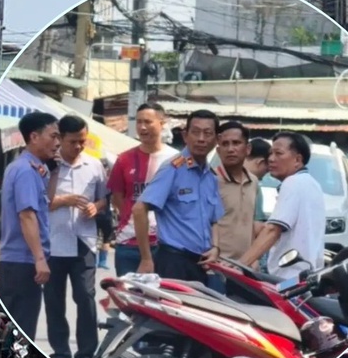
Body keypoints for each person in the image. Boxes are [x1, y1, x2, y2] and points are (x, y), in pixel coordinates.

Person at [44, 115, 108, 358]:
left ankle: (87, 354)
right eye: (74, 142)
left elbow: (105, 199)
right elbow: (40, 202)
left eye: (83, 141)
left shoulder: (94, 166)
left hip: (84, 242)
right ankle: (60, 352)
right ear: (61, 139)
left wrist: (96, 207)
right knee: (54, 301)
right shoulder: (48, 167)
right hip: (52, 243)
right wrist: (66, 200)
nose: (79, 146)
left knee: (86, 296)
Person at [134, 109, 224, 283]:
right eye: (196, 132)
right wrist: (146, 258)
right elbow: (139, 209)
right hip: (173, 261)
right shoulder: (173, 168)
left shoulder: (210, 176)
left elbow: (214, 219)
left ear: (216, 139)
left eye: (207, 133)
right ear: (185, 136)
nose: (201, 139)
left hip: (200, 263)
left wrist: (216, 247)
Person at [0, 112, 59, 340]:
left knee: (20, 332)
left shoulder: (35, 169)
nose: (57, 143)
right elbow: (27, 216)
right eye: (53, 136)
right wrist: (39, 258)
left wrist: (54, 172)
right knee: (20, 335)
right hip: (21, 263)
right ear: (34, 136)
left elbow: (47, 205)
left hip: (21, 262)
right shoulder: (25, 171)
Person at [239, 132, 324, 280]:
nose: (271, 159)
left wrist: (240, 265)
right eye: (270, 153)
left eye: (279, 153)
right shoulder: (312, 184)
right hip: (308, 274)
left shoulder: (293, 183)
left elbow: (273, 230)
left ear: (297, 160)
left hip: (289, 276)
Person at [106, 103, 178, 276]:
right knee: (128, 297)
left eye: (148, 122)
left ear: (162, 123)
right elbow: (117, 198)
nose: (142, 127)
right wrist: (132, 219)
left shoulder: (177, 160)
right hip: (128, 243)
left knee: (161, 300)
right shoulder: (124, 159)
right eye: (138, 122)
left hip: (165, 244)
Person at [211, 121, 263, 292]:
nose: (230, 149)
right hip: (216, 271)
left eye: (236, 143)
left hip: (245, 270)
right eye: (225, 144)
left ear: (247, 149)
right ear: (218, 150)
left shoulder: (254, 182)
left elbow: (253, 225)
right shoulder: (210, 181)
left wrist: (254, 259)